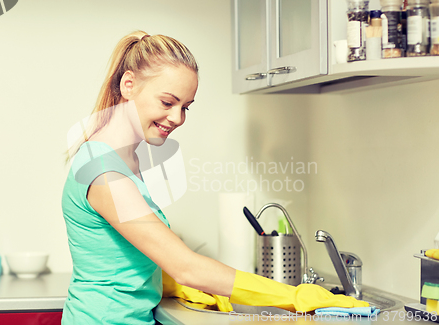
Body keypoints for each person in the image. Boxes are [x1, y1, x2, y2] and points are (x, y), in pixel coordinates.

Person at [61, 31, 369, 325]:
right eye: (167, 102)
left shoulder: (124, 157)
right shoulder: (104, 171)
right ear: (128, 85)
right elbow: (185, 266)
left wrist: (168, 283)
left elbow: (119, 255)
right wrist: (297, 296)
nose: (177, 118)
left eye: (185, 107)